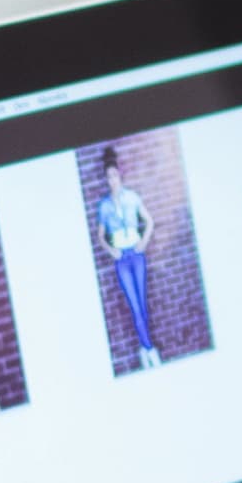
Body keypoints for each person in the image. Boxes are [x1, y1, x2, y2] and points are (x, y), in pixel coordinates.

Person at [93, 149, 158, 363]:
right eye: (108, 177)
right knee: (134, 305)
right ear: (106, 180)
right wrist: (111, 250)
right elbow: (100, 236)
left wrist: (143, 241)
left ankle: (144, 347)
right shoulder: (104, 206)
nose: (112, 180)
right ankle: (149, 350)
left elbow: (149, 221)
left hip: (136, 254)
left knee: (143, 303)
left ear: (120, 176)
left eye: (114, 175)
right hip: (121, 259)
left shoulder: (132, 197)